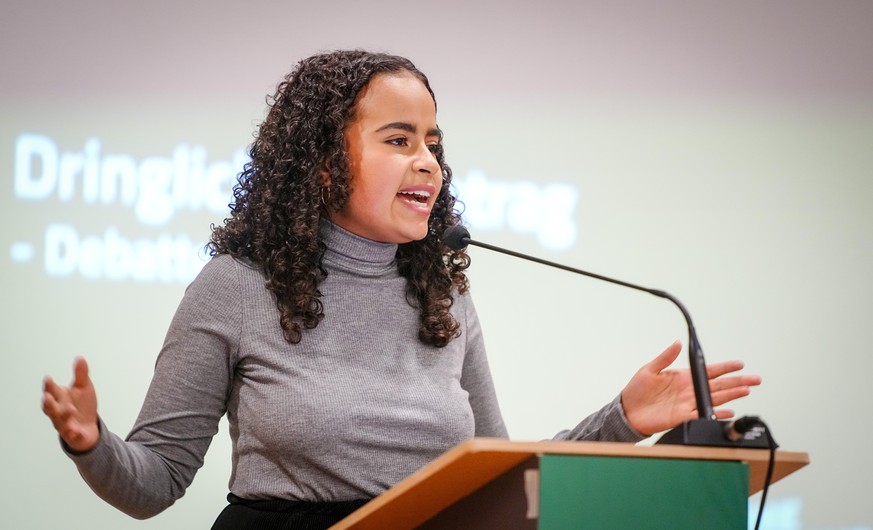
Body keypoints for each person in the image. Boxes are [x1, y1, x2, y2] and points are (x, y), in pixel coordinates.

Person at [42, 50, 761, 529]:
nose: (428, 163)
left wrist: (622, 420)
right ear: (324, 163)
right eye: (398, 140)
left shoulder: (442, 295)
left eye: (433, 143)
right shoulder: (235, 288)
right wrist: (90, 442)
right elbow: (155, 482)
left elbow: (496, 481)